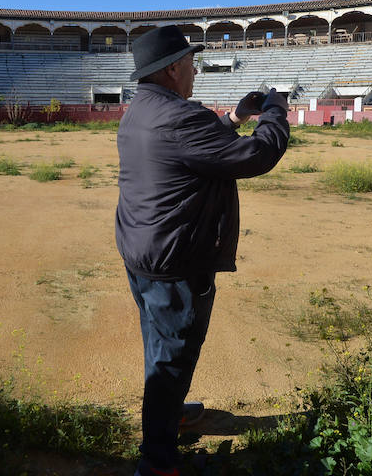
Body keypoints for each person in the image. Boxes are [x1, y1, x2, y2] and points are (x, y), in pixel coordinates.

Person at [116, 25, 290, 476]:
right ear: (173, 69)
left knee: (160, 348)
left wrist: (234, 117)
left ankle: (169, 414)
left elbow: (193, 142)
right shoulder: (178, 118)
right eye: (191, 63)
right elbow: (257, 157)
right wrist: (275, 113)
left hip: (145, 253)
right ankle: (157, 463)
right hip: (176, 261)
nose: (195, 71)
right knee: (172, 358)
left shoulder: (141, 110)